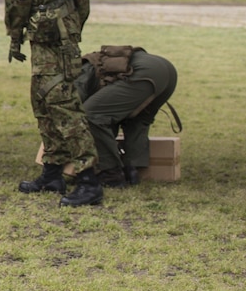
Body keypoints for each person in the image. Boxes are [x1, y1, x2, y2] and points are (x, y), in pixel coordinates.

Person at [3, 0, 104, 207]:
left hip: (44, 28)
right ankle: (53, 171)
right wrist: (75, 23)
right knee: (43, 99)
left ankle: (88, 179)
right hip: (64, 27)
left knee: (62, 103)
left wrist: (14, 29)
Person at [75, 46, 179, 187]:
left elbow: (76, 111)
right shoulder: (87, 65)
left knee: (91, 115)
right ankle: (132, 170)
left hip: (144, 72)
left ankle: (110, 174)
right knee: (136, 120)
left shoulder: (74, 77)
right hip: (165, 69)